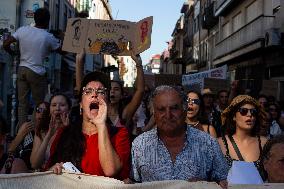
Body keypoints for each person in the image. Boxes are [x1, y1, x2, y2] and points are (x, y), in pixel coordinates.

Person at [131, 85, 228, 188]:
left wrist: (207, 184)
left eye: (174, 108)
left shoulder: (208, 143)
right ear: (154, 114)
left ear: (184, 110)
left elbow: (225, 182)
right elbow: (135, 183)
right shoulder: (140, 145)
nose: (168, 115)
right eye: (161, 109)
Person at [50, 71, 130, 180]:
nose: (94, 94)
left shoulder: (120, 134)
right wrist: (54, 169)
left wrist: (101, 125)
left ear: (107, 103)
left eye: (101, 91)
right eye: (88, 91)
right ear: (81, 105)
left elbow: (110, 170)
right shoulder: (65, 133)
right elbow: (47, 170)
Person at [3, 8, 62, 126]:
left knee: (22, 104)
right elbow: (63, 51)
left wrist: (13, 53)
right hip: (37, 72)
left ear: (34, 18)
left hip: (22, 69)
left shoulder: (23, 30)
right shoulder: (48, 37)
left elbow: (6, 43)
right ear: (47, 21)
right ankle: (36, 131)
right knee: (39, 104)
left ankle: (21, 131)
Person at [218, 95, 268, 183]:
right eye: (243, 111)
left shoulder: (264, 143)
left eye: (253, 112)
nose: (249, 115)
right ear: (234, 116)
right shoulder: (220, 143)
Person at [30, 94, 71, 170]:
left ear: (69, 110)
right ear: (49, 110)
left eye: (62, 105)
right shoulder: (41, 130)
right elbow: (34, 164)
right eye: (54, 105)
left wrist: (67, 130)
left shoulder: (74, 130)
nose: (57, 108)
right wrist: (48, 135)